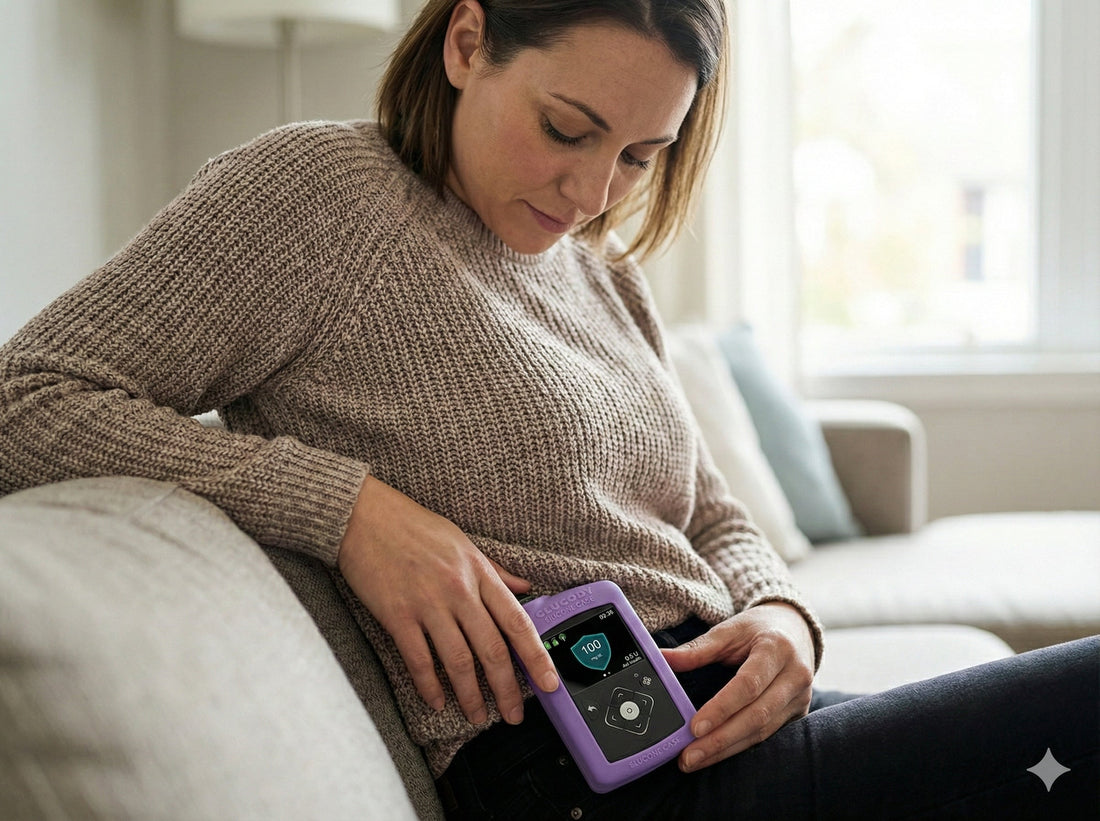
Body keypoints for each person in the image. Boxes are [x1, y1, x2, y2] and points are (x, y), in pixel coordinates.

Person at [0, 0, 1095, 818]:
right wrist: (351, 509)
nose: (591, 192)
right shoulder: (320, 195)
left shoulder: (600, 271)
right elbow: (25, 398)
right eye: (566, 128)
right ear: (467, 41)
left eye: (637, 154)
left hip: (715, 712)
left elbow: (708, 509)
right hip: (584, 767)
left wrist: (779, 615)